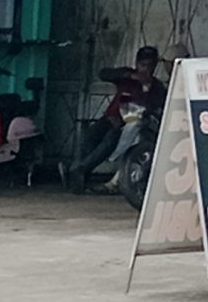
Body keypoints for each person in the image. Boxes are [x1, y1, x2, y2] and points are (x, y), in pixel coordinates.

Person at [65, 44, 163, 191]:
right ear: (136, 64)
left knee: (109, 141)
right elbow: (104, 74)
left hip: (130, 125)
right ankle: (78, 171)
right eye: (142, 65)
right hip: (110, 118)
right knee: (89, 136)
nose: (145, 69)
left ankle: (80, 170)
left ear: (155, 66)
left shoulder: (157, 87)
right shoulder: (127, 78)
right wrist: (129, 75)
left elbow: (153, 109)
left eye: (149, 66)